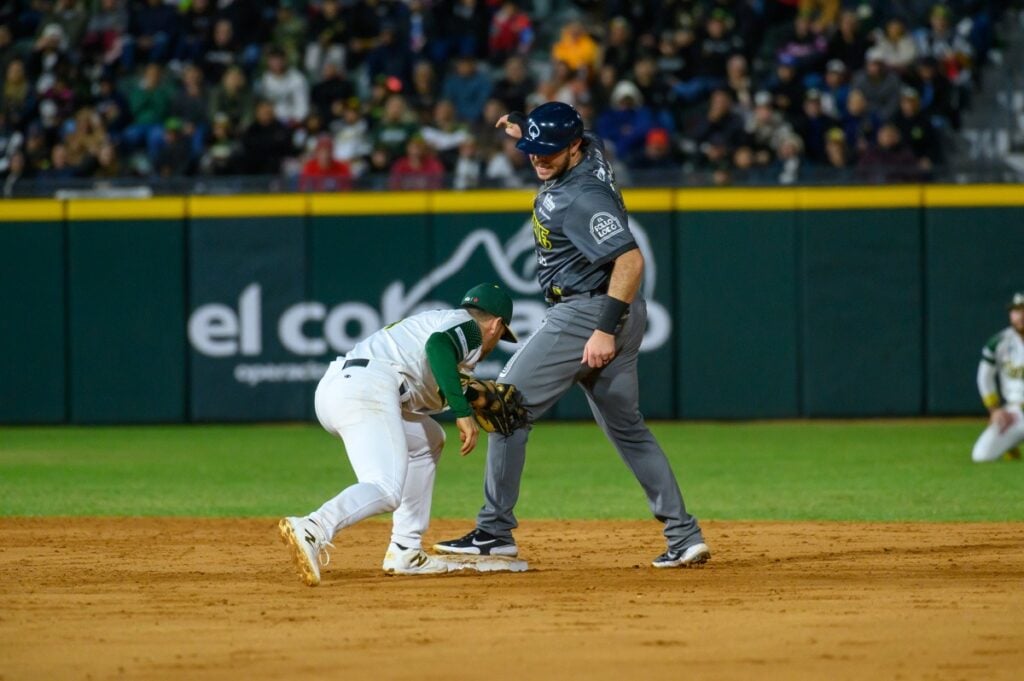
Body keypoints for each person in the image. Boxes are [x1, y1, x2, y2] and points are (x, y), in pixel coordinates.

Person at [434, 102, 710, 569]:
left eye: (548, 150)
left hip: (588, 312)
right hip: (616, 311)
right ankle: (684, 535)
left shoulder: (581, 198)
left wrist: (602, 330)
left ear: (574, 147)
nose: (538, 159)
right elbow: (562, 138)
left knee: (504, 408)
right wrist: (530, 127)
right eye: (531, 149)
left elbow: (631, 261)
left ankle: (494, 532)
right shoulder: (591, 148)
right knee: (628, 429)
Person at [279, 283, 519, 585]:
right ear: (496, 325)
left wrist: (473, 396)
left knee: (429, 441)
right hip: (366, 388)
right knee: (385, 488)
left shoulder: (444, 333)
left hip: (340, 388)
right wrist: (463, 412)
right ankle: (314, 527)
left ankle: (406, 550)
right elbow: (437, 347)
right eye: (501, 335)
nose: (496, 342)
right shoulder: (469, 327)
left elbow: (437, 375)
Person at [972, 292, 1024, 463]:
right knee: (980, 456)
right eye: (1016, 311)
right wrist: (995, 410)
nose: (1021, 315)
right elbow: (984, 377)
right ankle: (1010, 444)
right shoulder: (1000, 342)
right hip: (1015, 412)